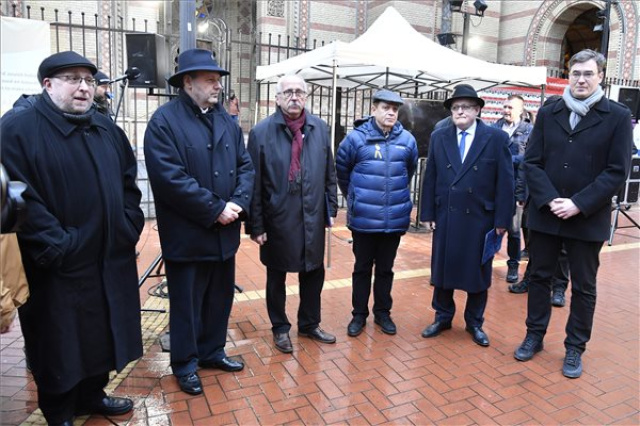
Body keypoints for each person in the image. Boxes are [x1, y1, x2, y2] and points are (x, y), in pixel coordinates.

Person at [1, 51, 144, 426]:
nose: (83, 87)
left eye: (89, 79)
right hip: (58, 263)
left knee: (102, 335)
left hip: (109, 256)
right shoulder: (17, 128)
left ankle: (93, 394)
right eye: (72, 79)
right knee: (59, 344)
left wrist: (128, 225)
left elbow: (130, 184)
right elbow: (16, 195)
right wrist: (59, 243)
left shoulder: (104, 127)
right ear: (48, 84)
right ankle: (60, 411)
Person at [514, 49, 632, 378]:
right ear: (569, 75)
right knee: (538, 277)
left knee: (583, 286)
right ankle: (534, 336)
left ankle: (575, 348)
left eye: (588, 74)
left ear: (600, 77)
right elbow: (532, 162)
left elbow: (616, 171)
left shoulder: (617, 116)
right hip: (546, 215)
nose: (580, 79)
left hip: (587, 217)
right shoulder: (549, 110)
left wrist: (578, 203)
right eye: (575, 73)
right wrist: (550, 199)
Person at [144, 49, 254, 395]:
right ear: (188, 82)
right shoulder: (164, 122)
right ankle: (186, 362)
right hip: (189, 235)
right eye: (210, 79)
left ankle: (212, 351)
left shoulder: (226, 121)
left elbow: (246, 166)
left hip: (224, 234)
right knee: (187, 304)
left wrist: (237, 202)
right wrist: (215, 208)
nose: (217, 85)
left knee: (219, 298)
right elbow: (170, 180)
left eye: (218, 79)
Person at [246, 74, 338, 354]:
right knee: (277, 277)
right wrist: (256, 225)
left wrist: (330, 208)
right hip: (278, 219)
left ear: (306, 97)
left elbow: (329, 173)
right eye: (288, 92)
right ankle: (280, 327)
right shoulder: (262, 132)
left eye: (299, 91)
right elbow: (253, 182)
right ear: (277, 98)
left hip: (312, 216)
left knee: (314, 273)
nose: (294, 96)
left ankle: (309, 324)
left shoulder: (320, 128)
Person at [420, 84, 513, 347]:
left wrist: (502, 221)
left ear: (477, 109)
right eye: (455, 107)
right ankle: (443, 316)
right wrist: (427, 211)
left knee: (478, 273)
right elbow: (431, 177)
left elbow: (505, 181)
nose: (460, 111)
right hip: (446, 215)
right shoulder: (439, 136)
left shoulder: (496, 138)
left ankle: (474, 322)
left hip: (480, 218)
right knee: (442, 269)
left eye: (466, 107)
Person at [336, 89, 418, 337]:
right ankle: (358, 315)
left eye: (395, 109)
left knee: (386, 269)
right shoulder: (355, 139)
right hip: (363, 219)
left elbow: (409, 172)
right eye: (386, 107)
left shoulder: (407, 141)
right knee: (362, 268)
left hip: (393, 219)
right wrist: (358, 198)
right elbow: (342, 173)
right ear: (373, 109)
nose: (391, 112)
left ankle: (383, 313)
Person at [492, 95, 533, 284]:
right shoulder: (493, 128)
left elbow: (529, 161)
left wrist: (521, 193)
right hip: (493, 187)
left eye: (510, 107)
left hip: (516, 186)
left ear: (521, 110)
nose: (506, 110)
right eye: (505, 106)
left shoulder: (529, 131)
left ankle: (513, 265)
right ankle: (485, 260)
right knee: (490, 228)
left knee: (514, 230)